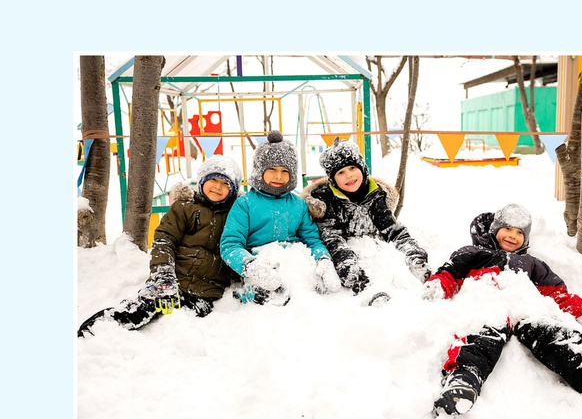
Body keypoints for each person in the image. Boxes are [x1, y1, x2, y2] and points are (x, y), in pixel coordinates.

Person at [422, 203, 582, 419]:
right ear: (494, 229)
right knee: (479, 337)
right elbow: (450, 274)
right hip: (487, 302)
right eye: (507, 229)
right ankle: (462, 382)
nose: (513, 236)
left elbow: (556, 292)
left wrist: (581, 314)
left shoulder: (531, 263)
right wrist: (437, 286)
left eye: (519, 232)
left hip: (526, 307)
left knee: (559, 337)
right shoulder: (473, 252)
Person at [77, 159, 238, 336]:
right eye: (213, 179)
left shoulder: (235, 216)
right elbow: (165, 240)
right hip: (173, 279)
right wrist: (163, 274)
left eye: (225, 183)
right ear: (202, 180)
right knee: (142, 307)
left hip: (207, 291)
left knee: (185, 323)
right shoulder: (186, 207)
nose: (218, 187)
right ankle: (102, 326)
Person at [302, 139, 430, 305]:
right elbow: (331, 236)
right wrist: (345, 260)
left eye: (352, 168)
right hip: (347, 252)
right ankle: (368, 293)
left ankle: (413, 290)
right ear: (332, 179)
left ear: (362, 168)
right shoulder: (326, 199)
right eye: (341, 172)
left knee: (393, 267)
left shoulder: (375, 194)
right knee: (355, 273)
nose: (349, 175)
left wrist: (413, 253)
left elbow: (392, 229)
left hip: (373, 248)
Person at [218, 131, 333, 306]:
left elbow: (312, 239)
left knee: (310, 299)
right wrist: (251, 266)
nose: (278, 176)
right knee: (270, 299)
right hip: (260, 264)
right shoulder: (245, 204)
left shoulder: (298, 204)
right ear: (260, 170)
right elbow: (230, 245)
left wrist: (323, 259)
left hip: (294, 263)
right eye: (272, 169)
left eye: (285, 171)